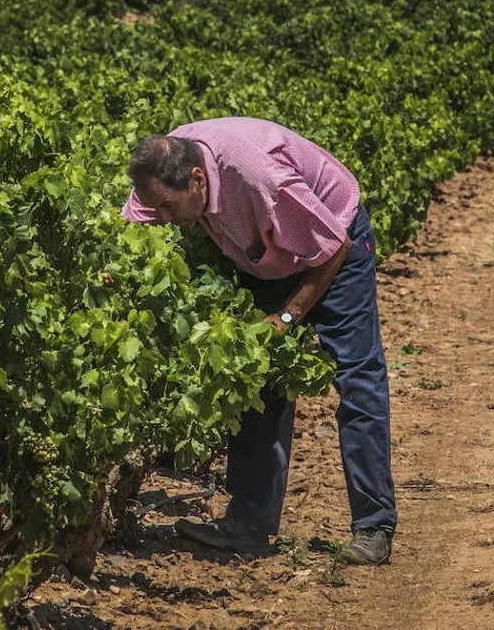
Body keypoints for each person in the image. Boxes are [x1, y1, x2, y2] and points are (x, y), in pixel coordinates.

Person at [120, 116, 396, 566]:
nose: (164, 218)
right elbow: (133, 229)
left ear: (196, 180)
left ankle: (373, 525)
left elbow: (334, 246)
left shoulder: (261, 181)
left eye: (169, 207)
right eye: (157, 208)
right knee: (256, 378)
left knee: (357, 378)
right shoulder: (163, 167)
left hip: (331, 247)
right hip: (263, 256)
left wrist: (289, 315)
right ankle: (248, 525)